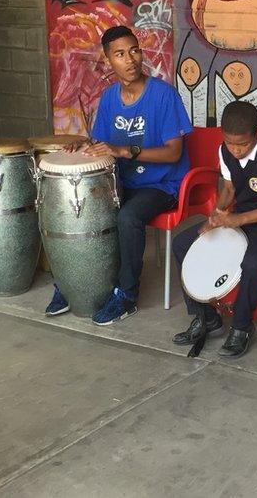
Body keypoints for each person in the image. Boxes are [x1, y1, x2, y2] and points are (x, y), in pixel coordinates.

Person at [44, 25, 192, 325]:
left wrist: (126, 151)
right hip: (122, 181)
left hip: (162, 184)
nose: (131, 59)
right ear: (109, 61)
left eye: (135, 51)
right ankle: (71, 285)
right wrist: (83, 144)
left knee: (127, 217)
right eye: (121, 54)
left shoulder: (164, 95)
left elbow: (174, 153)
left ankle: (126, 295)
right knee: (81, 210)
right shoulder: (109, 98)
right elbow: (101, 143)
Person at [170, 101, 257, 358]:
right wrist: (216, 216)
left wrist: (239, 219)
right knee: (183, 243)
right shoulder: (224, 151)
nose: (235, 150)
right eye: (229, 143)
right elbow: (229, 188)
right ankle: (206, 317)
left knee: (253, 263)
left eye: (243, 145)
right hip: (240, 215)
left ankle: (241, 326)